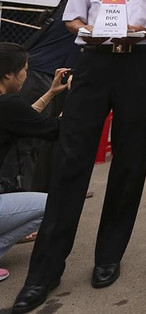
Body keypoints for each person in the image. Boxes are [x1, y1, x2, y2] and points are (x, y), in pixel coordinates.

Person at [12, 0, 146, 314]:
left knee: (130, 163)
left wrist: (145, 27)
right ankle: (44, 271)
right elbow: (74, 19)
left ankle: (108, 256)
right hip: (94, 64)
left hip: (138, 67)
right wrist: (91, 28)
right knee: (71, 161)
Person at [0, 0, 80, 192]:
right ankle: (25, 197)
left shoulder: (66, 3)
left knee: (33, 136)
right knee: (30, 141)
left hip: (42, 75)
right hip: (40, 74)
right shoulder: (79, 6)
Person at [0, 43, 69, 284]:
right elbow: (52, 130)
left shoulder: (7, 106)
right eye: (25, 70)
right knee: (53, 204)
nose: (26, 76)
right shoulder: (8, 105)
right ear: (9, 74)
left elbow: (24, 118)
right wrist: (77, 102)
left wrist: (50, 93)